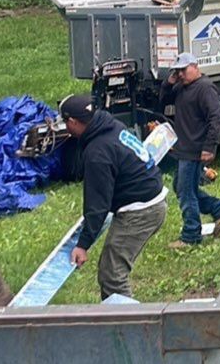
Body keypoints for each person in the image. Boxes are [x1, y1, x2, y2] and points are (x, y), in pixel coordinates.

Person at [60, 94, 167, 300]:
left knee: (112, 275)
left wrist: (83, 245)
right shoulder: (110, 125)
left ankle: (128, 328)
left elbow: (98, 204)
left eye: (65, 123)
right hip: (152, 197)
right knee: (112, 270)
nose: (66, 128)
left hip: (140, 211)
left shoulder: (97, 152)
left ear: (73, 122)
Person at [160, 52, 220, 247]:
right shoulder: (180, 88)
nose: (181, 75)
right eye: (178, 71)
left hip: (195, 149)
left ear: (195, 67)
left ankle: (191, 235)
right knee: (183, 188)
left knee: (185, 192)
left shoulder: (205, 88)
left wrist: (209, 147)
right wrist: (170, 81)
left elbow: (216, 118)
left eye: (183, 70)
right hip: (184, 148)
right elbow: (163, 99)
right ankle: (219, 208)